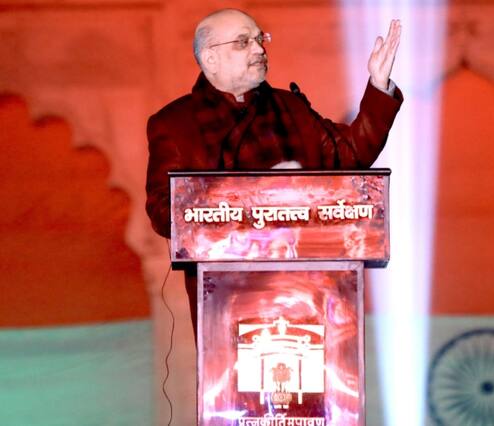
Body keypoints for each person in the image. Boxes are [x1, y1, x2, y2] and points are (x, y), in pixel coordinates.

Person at [145, 8, 403, 337]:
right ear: (210, 58)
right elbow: (163, 212)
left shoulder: (290, 107)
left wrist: (378, 86)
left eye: (259, 39)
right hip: (226, 301)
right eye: (243, 42)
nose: (258, 49)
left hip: (307, 292)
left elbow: (349, 156)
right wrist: (261, 192)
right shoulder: (174, 124)